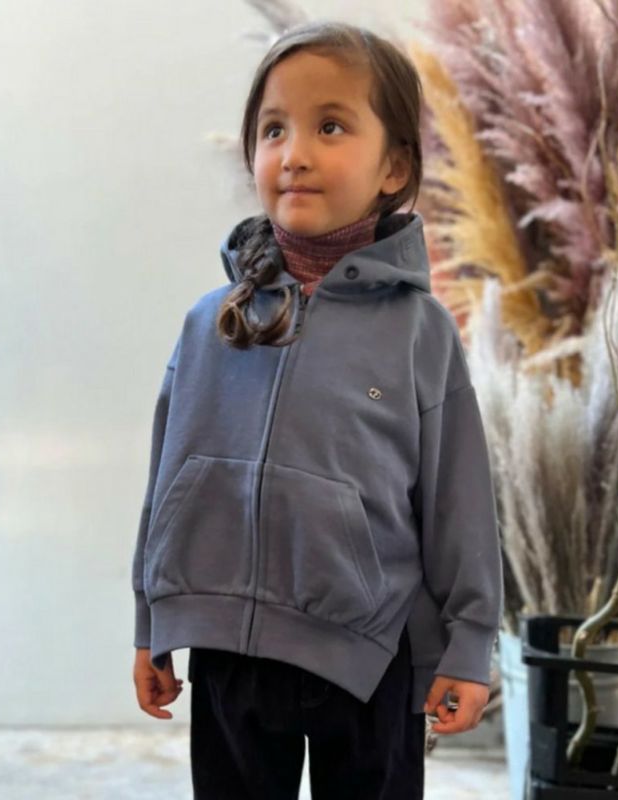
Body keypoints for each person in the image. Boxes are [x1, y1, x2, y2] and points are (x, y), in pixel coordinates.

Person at [131, 18, 503, 800]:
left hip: (373, 656)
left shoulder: (419, 332)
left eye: (329, 126)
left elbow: (460, 505)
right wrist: (153, 622)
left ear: (394, 165)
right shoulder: (209, 324)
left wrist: (468, 645)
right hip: (228, 653)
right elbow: (165, 486)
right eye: (274, 130)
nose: (294, 153)